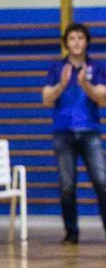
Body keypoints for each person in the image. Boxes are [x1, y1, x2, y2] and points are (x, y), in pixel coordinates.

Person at [41, 23, 106, 243]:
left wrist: (85, 84)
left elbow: (102, 97)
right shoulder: (57, 68)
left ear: (87, 41)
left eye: (80, 38)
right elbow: (47, 98)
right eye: (72, 38)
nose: (76, 42)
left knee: (102, 181)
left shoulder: (95, 67)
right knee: (67, 185)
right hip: (63, 133)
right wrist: (63, 84)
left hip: (90, 132)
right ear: (66, 43)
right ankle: (71, 232)